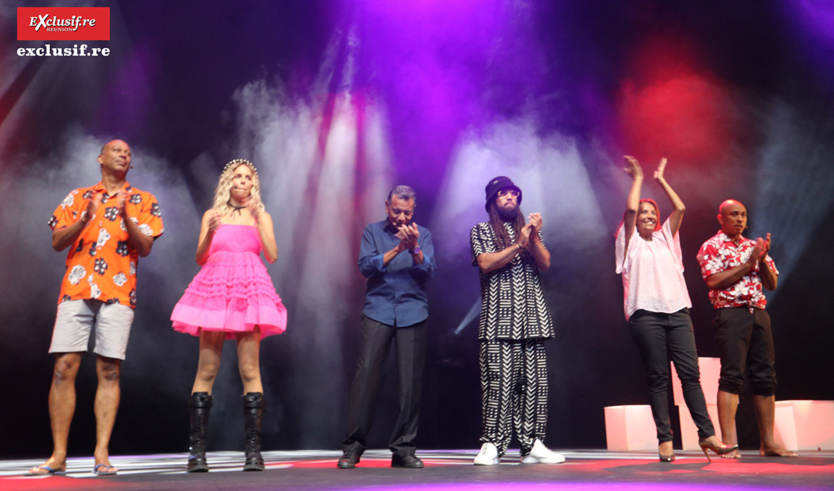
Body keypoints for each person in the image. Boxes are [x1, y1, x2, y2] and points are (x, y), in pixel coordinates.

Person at [27, 140, 164, 477]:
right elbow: (58, 241)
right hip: (76, 289)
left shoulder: (144, 200)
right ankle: (58, 455)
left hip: (118, 291)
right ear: (100, 158)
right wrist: (85, 219)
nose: (124, 154)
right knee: (63, 368)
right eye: (116, 150)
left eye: (129, 153)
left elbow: (144, 247)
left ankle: (101, 453)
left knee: (110, 371)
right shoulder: (77, 197)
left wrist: (126, 216)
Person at [616, 156, 737, 462]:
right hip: (645, 314)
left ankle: (707, 436)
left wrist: (661, 180)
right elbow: (630, 209)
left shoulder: (666, 238)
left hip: (678, 312)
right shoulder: (628, 242)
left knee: (690, 376)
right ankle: (665, 439)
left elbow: (680, 209)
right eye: (643, 212)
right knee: (658, 377)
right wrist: (638, 179)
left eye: (651, 212)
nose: (646, 215)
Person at [171, 159, 288, 472]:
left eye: (247, 177)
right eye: (237, 176)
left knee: (250, 367)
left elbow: (273, 255)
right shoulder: (213, 215)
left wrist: (260, 217)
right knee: (207, 368)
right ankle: (197, 452)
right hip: (216, 288)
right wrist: (209, 234)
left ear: (253, 184)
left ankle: (253, 451)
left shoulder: (260, 215)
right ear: (228, 182)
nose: (242, 181)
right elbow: (200, 257)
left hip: (249, 289)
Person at [337, 185, 436, 469]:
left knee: (409, 384)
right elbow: (365, 267)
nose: (401, 218)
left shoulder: (423, 235)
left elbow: (429, 271)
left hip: (413, 311)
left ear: (413, 210)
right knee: (366, 377)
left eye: (406, 212)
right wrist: (397, 250)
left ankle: (403, 448)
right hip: (378, 310)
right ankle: (353, 447)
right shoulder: (372, 232)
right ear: (386, 206)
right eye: (396, 211)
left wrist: (415, 248)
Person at [470, 176, 564, 466]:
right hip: (498, 321)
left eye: (514, 193)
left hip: (532, 318)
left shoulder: (529, 232)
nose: (510, 197)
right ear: (492, 201)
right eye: (503, 194)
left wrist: (532, 237)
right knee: (498, 384)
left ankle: (533, 443)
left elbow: (545, 263)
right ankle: (492, 444)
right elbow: (485, 263)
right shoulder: (481, 231)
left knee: (535, 384)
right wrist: (517, 245)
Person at [696, 199, 797, 458]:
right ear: (721, 218)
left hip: (759, 313)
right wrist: (747, 263)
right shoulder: (711, 246)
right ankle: (729, 443)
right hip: (731, 314)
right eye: (733, 215)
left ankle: (769, 443)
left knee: (765, 376)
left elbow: (771, 284)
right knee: (732, 376)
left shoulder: (755, 246)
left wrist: (761, 260)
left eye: (743, 215)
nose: (740, 219)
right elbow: (713, 281)